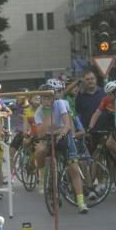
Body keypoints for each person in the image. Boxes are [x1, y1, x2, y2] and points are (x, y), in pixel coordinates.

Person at [34, 83, 88, 214]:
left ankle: (81, 202)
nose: (47, 100)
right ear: (41, 99)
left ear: (54, 98)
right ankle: (42, 176)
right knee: (40, 150)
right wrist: (47, 115)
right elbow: (40, 134)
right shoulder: (39, 111)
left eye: (49, 97)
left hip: (63, 134)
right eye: (44, 98)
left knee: (73, 167)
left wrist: (62, 134)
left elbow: (67, 123)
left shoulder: (60, 104)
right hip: (48, 137)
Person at [88, 80, 116, 160]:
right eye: (107, 94)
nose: (108, 96)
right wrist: (90, 127)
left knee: (110, 143)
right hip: (113, 126)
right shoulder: (106, 100)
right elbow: (97, 113)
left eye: (110, 94)